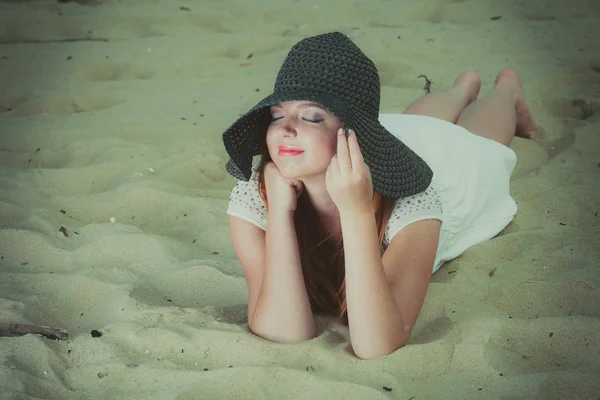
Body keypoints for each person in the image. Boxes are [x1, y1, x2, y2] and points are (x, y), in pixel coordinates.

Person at [221, 32, 538, 360]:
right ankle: (462, 88)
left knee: (475, 143)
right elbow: (283, 332)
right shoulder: (255, 196)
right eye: (276, 115)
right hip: (369, 145)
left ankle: (507, 91)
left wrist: (357, 212)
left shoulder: (414, 201)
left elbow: (377, 343)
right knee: (412, 124)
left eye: (312, 116)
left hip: (438, 166)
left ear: (353, 132)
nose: (285, 128)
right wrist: (280, 216)